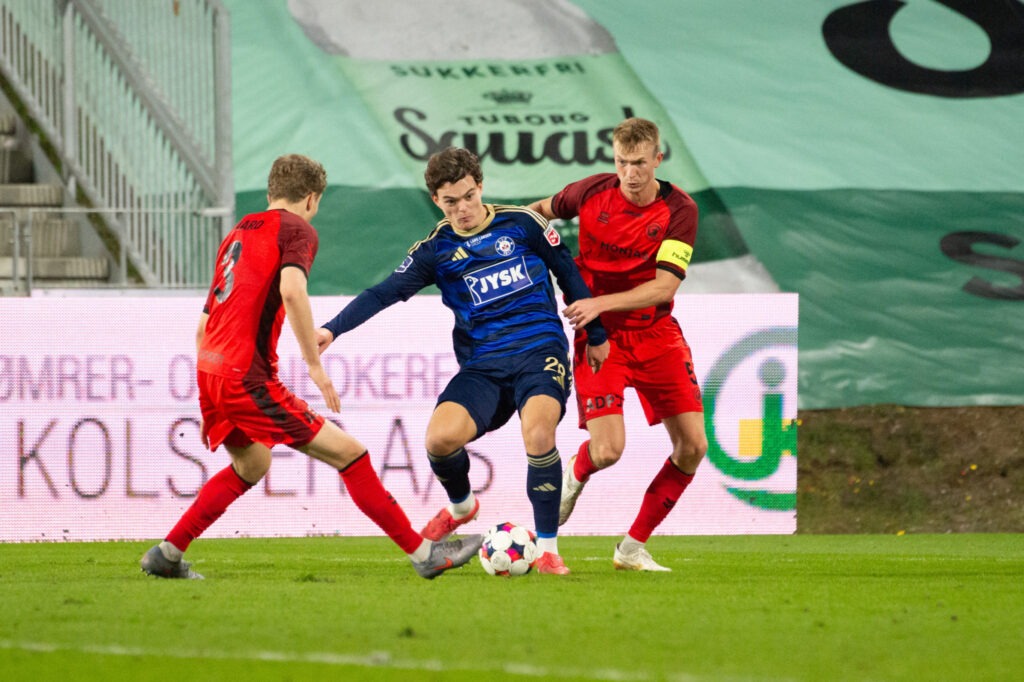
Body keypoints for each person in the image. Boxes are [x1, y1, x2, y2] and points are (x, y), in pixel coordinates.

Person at [140, 154, 482, 580]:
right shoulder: (297, 229)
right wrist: (314, 366)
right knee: (351, 455)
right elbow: (293, 291)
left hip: (210, 368)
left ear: (271, 192)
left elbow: (204, 323)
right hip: (245, 376)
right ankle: (423, 553)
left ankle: (167, 553)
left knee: (252, 465)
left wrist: (213, 385)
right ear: (312, 199)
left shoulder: (238, 233)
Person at [317, 147, 609, 575]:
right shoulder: (436, 250)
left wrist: (595, 335)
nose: (463, 209)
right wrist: (331, 329)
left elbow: (568, 273)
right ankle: (462, 506)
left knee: (538, 433)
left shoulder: (524, 224)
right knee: (438, 440)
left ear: (481, 186)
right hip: (483, 365)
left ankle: (548, 549)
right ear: (436, 200)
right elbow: (384, 293)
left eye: (469, 196)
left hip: (539, 351)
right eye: (451, 202)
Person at [527, 117, 708, 572]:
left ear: (658, 160)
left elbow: (665, 286)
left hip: (656, 334)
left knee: (693, 447)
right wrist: (499, 235)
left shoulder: (680, 210)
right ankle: (575, 473)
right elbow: (538, 212)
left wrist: (597, 302)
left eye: (640, 163)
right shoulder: (591, 192)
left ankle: (631, 549)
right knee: (607, 450)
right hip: (600, 337)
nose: (630, 173)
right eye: (622, 162)